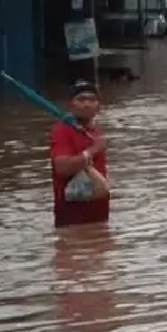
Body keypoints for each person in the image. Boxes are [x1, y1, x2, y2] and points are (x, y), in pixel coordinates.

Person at [50, 80, 109, 229]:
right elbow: (62, 167)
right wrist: (92, 150)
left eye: (92, 100)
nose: (87, 104)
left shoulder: (95, 131)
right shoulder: (62, 130)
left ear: (99, 106)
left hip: (100, 217)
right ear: (71, 105)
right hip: (72, 220)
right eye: (81, 99)